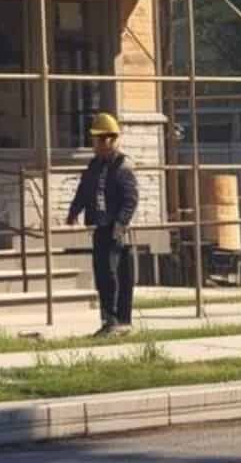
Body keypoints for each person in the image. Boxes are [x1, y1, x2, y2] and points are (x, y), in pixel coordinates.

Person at [66, 112, 139, 336]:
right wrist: (74, 211)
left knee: (114, 275)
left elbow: (130, 199)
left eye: (96, 140)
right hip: (100, 227)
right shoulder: (95, 164)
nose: (93, 144)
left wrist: (121, 223)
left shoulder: (123, 165)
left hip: (117, 230)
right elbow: (85, 189)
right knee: (103, 275)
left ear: (108, 140)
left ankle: (118, 321)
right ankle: (109, 320)